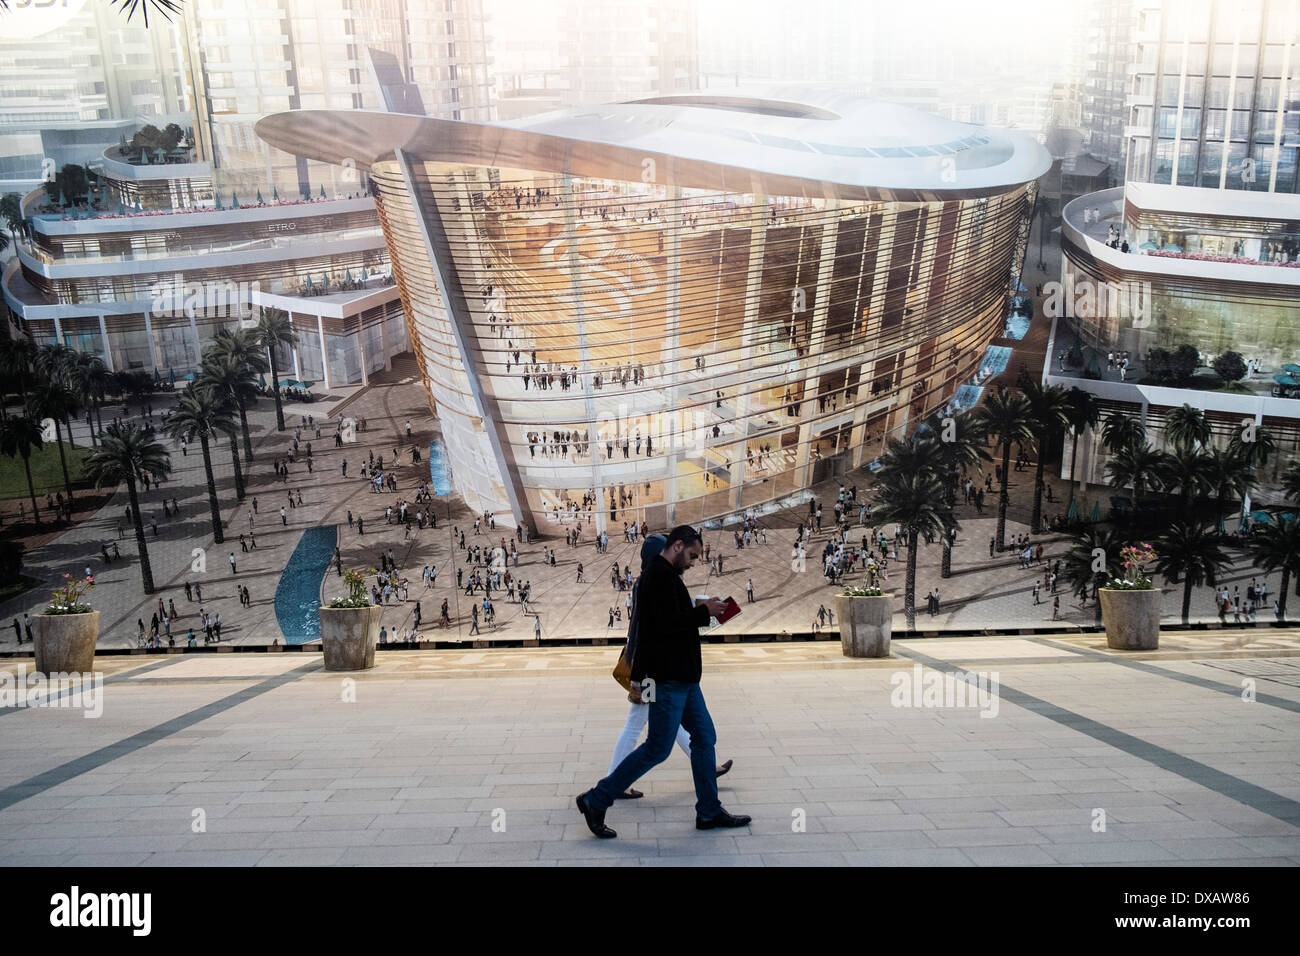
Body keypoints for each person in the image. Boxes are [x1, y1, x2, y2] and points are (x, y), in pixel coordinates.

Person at [576, 525, 750, 839]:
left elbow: (671, 619)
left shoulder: (668, 577)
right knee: (657, 748)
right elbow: (661, 629)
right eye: (693, 555)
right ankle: (596, 799)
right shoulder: (656, 577)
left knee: (704, 736)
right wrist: (701, 613)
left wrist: (700, 609)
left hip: (683, 678)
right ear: (677, 546)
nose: (694, 562)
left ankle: (709, 810)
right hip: (667, 679)